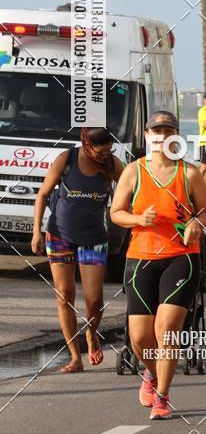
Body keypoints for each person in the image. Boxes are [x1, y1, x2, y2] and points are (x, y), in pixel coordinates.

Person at [110, 111, 206, 420]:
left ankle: (163, 396)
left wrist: (196, 223)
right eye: (157, 131)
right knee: (140, 337)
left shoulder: (189, 173)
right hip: (141, 258)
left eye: (169, 131)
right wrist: (139, 219)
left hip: (181, 258)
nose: (162, 136)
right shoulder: (134, 171)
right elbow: (116, 213)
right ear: (147, 135)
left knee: (167, 329)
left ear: (176, 136)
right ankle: (152, 374)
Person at [31, 127, 123, 373]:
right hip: (59, 235)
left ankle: (91, 334)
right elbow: (42, 194)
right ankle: (74, 357)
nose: (104, 155)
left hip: (94, 238)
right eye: (100, 152)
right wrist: (36, 231)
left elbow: (132, 187)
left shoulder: (112, 163)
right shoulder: (67, 159)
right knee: (64, 295)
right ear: (86, 145)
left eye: (108, 150)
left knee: (94, 301)